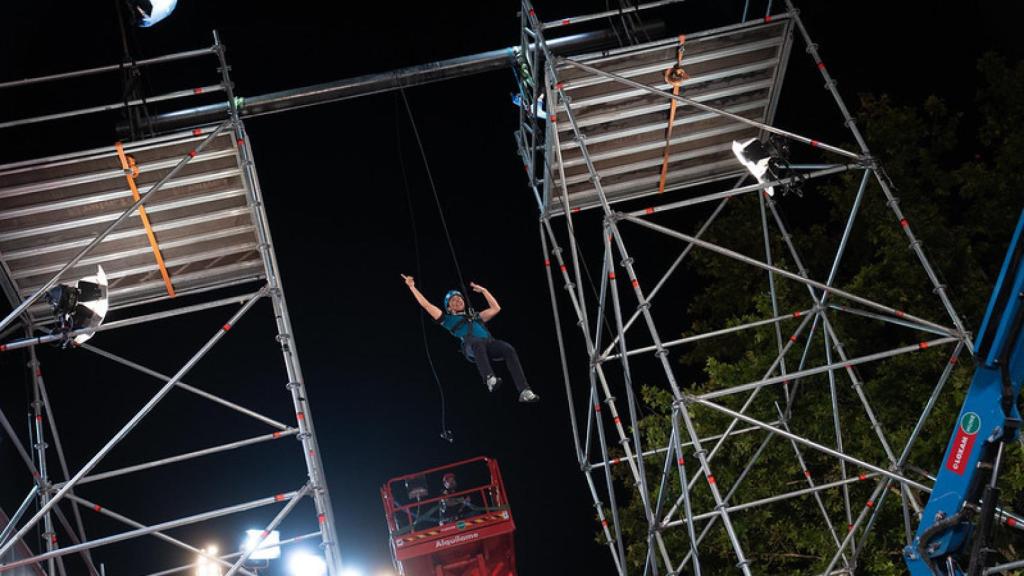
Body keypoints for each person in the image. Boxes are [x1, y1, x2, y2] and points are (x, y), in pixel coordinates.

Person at [401, 274, 539, 403]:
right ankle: (489, 379)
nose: (458, 300)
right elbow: (426, 305)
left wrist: (484, 291)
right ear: (449, 308)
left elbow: (496, 308)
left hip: (489, 345)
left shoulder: (475, 317)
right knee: (476, 342)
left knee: (508, 349)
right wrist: (412, 286)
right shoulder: (447, 319)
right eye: (453, 300)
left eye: (459, 298)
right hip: (471, 347)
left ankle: (524, 391)